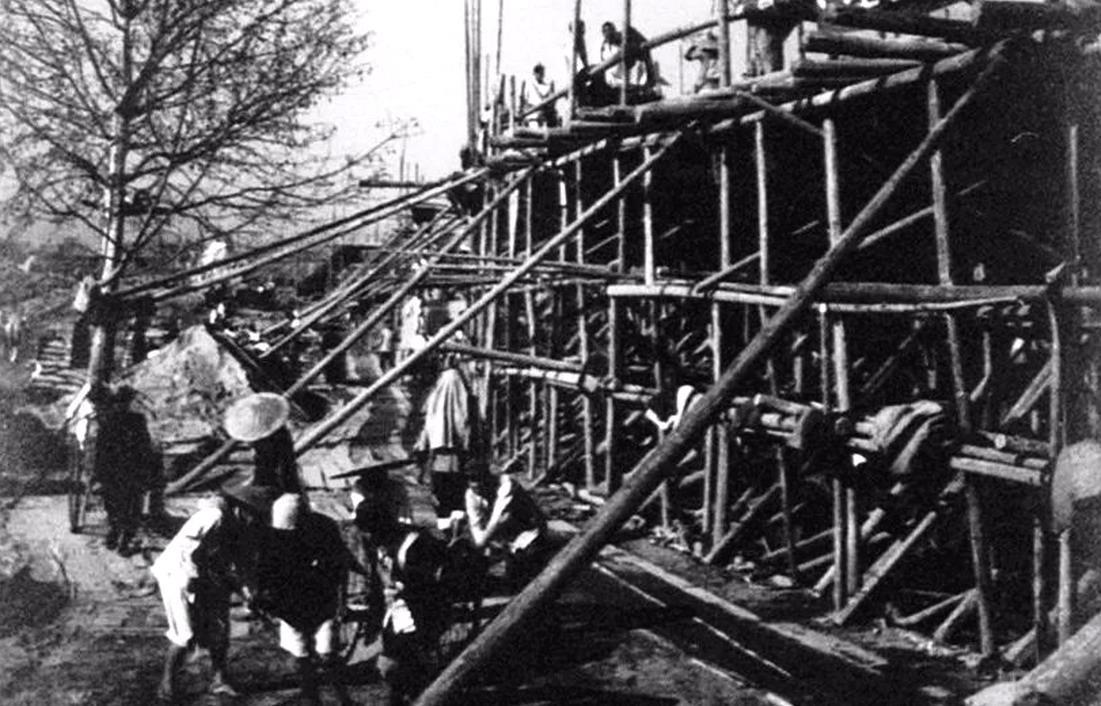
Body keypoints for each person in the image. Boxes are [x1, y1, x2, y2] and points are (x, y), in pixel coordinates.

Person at [255, 493, 360, 706]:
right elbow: (265, 574)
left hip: (322, 601)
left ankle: (344, 699)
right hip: (289, 605)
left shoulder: (324, 530)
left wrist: (341, 600)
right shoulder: (271, 538)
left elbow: (340, 566)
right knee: (301, 655)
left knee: (328, 653)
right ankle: (312, 699)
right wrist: (266, 602)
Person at [351, 485, 451, 706]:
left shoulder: (414, 544)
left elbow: (433, 583)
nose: (369, 536)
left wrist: (404, 586)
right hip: (396, 613)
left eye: (371, 531)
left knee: (397, 665)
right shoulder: (379, 544)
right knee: (393, 666)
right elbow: (379, 582)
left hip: (421, 612)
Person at [151, 496, 244, 702]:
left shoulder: (231, 523)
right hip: (178, 576)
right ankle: (166, 686)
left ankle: (219, 679)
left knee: (219, 627)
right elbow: (191, 552)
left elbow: (224, 560)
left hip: (200, 575)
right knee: (184, 634)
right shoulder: (213, 517)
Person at [95, 384, 160, 554]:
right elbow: (145, 446)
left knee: (115, 503)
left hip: (115, 470)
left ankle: (116, 534)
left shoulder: (108, 420)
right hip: (130, 469)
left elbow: (100, 449)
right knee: (131, 504)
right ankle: (123, 537)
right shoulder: (136, 420)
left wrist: (99, 473)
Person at [415, 359, 480, 529]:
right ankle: (453, 526)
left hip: (442, 457)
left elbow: (429, 426)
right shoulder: (461, 394)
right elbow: (466, 424)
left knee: (445, 497)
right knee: (453, 498)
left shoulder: (438, 396)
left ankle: (449, 526)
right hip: (453, 457)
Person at [463, 469, 548, 588]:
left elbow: (497, 519)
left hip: (528, 529)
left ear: (488, 480)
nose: (478, 492)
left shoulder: (507, 485)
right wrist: (479, 545)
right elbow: (475, 523)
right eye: (474, 488)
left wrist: (482, 543)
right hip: (504, 534)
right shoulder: (471, 493)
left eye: (480, 487)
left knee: (527, 574)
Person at [223, 392, 302, 493]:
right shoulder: (280, 430)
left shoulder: (271, 440)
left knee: (280, 468)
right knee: (284, 467)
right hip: (274, 449)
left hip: (273, 458)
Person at [599, 21, 657, 94]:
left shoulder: (625, 36)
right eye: (607, 35)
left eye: (611, 34)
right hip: (621, 75)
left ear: (614, 31)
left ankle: (648, 82)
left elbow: (644, 45)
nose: (609, 37)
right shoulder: (605, 46)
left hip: (635, 56)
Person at [522, 63, 559, 127]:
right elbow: (525, 101)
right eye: (538, 73)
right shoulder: (529, 85)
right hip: (532, 114)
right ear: (535, 73)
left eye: (542, 73)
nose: (541, 75)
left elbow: (552, 102)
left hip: (545, 115)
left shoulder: (547, 87)